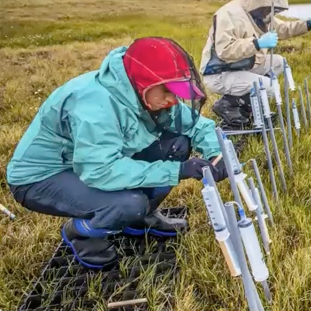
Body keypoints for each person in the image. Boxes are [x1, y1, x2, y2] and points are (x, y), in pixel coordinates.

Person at [6, 37, 229, 269]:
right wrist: (177, 170)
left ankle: (141, 218)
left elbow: (197, 125)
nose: (173, 99)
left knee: (178, 144)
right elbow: (101, 171)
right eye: (167, 91)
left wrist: (215, 153)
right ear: (146, 84)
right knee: (128, 204)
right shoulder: (95, 106)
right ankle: (81, 233)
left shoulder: (145, 92)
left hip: (93, 162)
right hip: (43, 176)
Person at [199, 0, 311, 129]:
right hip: (219, 73)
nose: (269, 12)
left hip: (242, 65)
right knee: (269, 86)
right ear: (259, 0)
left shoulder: (260, 13)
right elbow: (224, 51)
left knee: (280, 63)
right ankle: (228, 107)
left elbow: (281, 28)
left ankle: (245, 106)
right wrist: (257, 43)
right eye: (267, 8)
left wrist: (309, 24)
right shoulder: (228, 15)